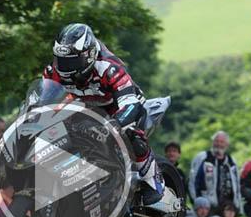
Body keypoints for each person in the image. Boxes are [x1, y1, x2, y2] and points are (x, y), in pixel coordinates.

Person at [43, 23, 164, 206]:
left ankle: (153, 182)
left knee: (131, 136)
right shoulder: (53, 72)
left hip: (120, 104)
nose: (65, 67)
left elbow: (131, 103)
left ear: (88, 55)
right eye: (62, 60)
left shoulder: (108, 68)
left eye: (71, 61)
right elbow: (43, 101)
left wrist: (115, 124)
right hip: (86, 107)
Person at [189, 131, 242, 212]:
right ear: (212, 142)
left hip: (228, 208)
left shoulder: (231, 161)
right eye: (216, 141)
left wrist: (238, 205)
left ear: (227, 144)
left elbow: (237, 185)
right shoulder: (202, 158)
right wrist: (197, 202)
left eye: (222, 142)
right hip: (206, 207)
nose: (219, 144)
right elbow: (192, 182)